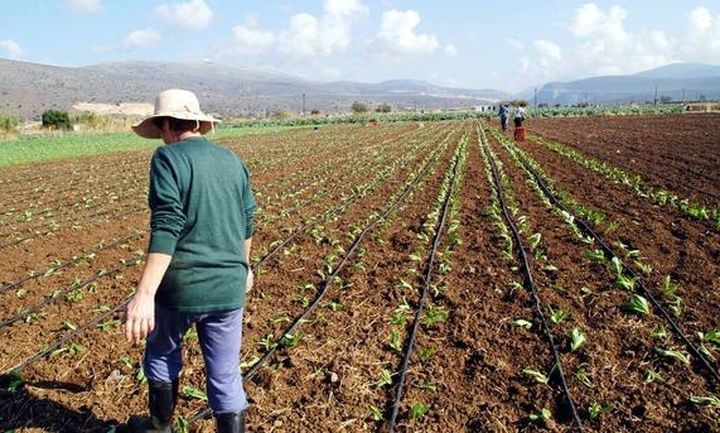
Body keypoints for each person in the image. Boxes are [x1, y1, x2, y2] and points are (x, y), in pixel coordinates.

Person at [125, 89, 256, 433]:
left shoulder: (167, 159)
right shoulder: (232, 160)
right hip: (228, 286)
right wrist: (244, 267)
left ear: (166, 125)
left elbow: (167, 224)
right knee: (225, 374)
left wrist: (144, 294)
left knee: (162, 356)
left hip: (181, 287)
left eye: (161, 130)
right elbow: (246, 222)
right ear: (197, 122)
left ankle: (161, 428)